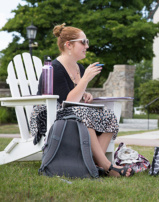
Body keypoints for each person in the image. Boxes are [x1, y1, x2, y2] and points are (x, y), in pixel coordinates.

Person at [30, 23, 134, 177]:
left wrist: (87, 94)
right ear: (69, 45)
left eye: (87, 41)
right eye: (83, 42)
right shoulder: (55, 69)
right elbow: (66, 101)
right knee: (84, 116)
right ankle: (107, 166)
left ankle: (94, 163)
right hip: (48, 115)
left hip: (72, 112)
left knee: (109, 116)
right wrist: (85, 80)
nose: (87, 46)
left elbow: (76, 96)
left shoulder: (80, 68)